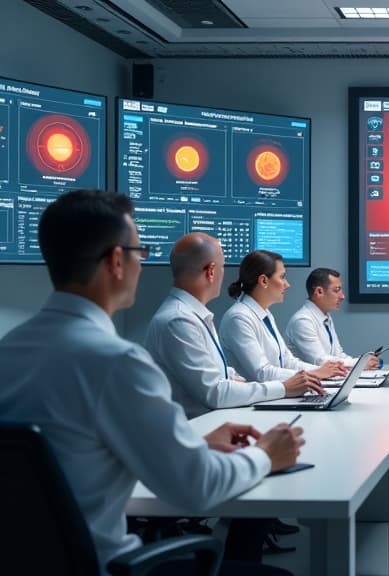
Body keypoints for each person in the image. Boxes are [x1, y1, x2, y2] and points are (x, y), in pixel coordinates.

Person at [0, 189, 304, 575]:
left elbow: (74, 448)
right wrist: (265, 454)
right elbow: (198, 487)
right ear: (116, 261)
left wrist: (191, 442)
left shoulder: (10, 350)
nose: (142, 267)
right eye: (139, 253)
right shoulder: (117, 362)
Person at [145, 233, 325, 419]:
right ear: (211, 271)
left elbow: (212, 374)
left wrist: (230, 377)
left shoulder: (193, 315)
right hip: (199, 430)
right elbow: (214, 393)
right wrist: (283, 388)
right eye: (223, 267)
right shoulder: (180, 320)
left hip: (213, 423)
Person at [219, 250, 346, 384]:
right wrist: (315, 373)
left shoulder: (265, 313)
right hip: (254, 401)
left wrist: (321, 371)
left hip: (274, 395)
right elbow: (262, 372)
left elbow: (287, 361)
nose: (287, 284)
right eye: (282, 277)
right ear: (264, 281)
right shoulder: (239, 318)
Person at [284, 267, 380, 370]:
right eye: (336, 290)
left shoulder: (325, 317)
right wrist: (359, 363)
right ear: (319, 292)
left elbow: (338, 356)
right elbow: (320, 361)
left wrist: (361, 363)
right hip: (310, 384)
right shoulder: (302, 321)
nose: (342, 296)